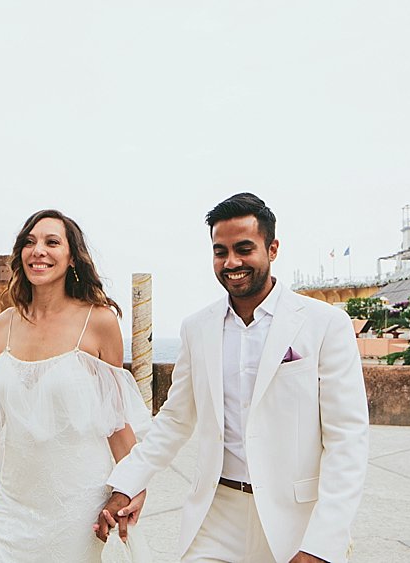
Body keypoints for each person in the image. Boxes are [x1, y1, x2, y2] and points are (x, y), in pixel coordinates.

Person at [95, 193, 369, 563]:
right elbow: (175, 421)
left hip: (297, 520)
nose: (231, 262)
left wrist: (321, 543)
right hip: (216, 515)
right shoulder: (197, 328)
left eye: (244, 248)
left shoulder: (325, 325)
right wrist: (126, 484)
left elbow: (347, 439)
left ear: (272, 249)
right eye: (220, 251)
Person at [0, 209, 151, 562]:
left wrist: (133, 486)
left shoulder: (98, 323)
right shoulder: (2, 326)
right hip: (13, 508)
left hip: (76, 511)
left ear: (72, 257)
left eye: (52, 242)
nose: (39, 251)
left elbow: (117, 422)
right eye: (30, 242)